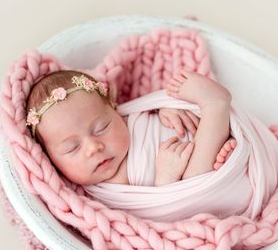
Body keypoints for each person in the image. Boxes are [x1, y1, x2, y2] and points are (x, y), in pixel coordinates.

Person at [25, 69, 237, 187]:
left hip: (197, 130)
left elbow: (144, 108)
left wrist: (163, 109)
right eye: (72, 148)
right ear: (52, 160)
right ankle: (215, 106)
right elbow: (158, 214)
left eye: (101, 127)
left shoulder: (127, 117)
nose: (93, 147)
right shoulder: (108, 190)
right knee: (195, 180)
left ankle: (224, 135)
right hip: (198, 176)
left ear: (114, 109)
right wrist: (166, 178)